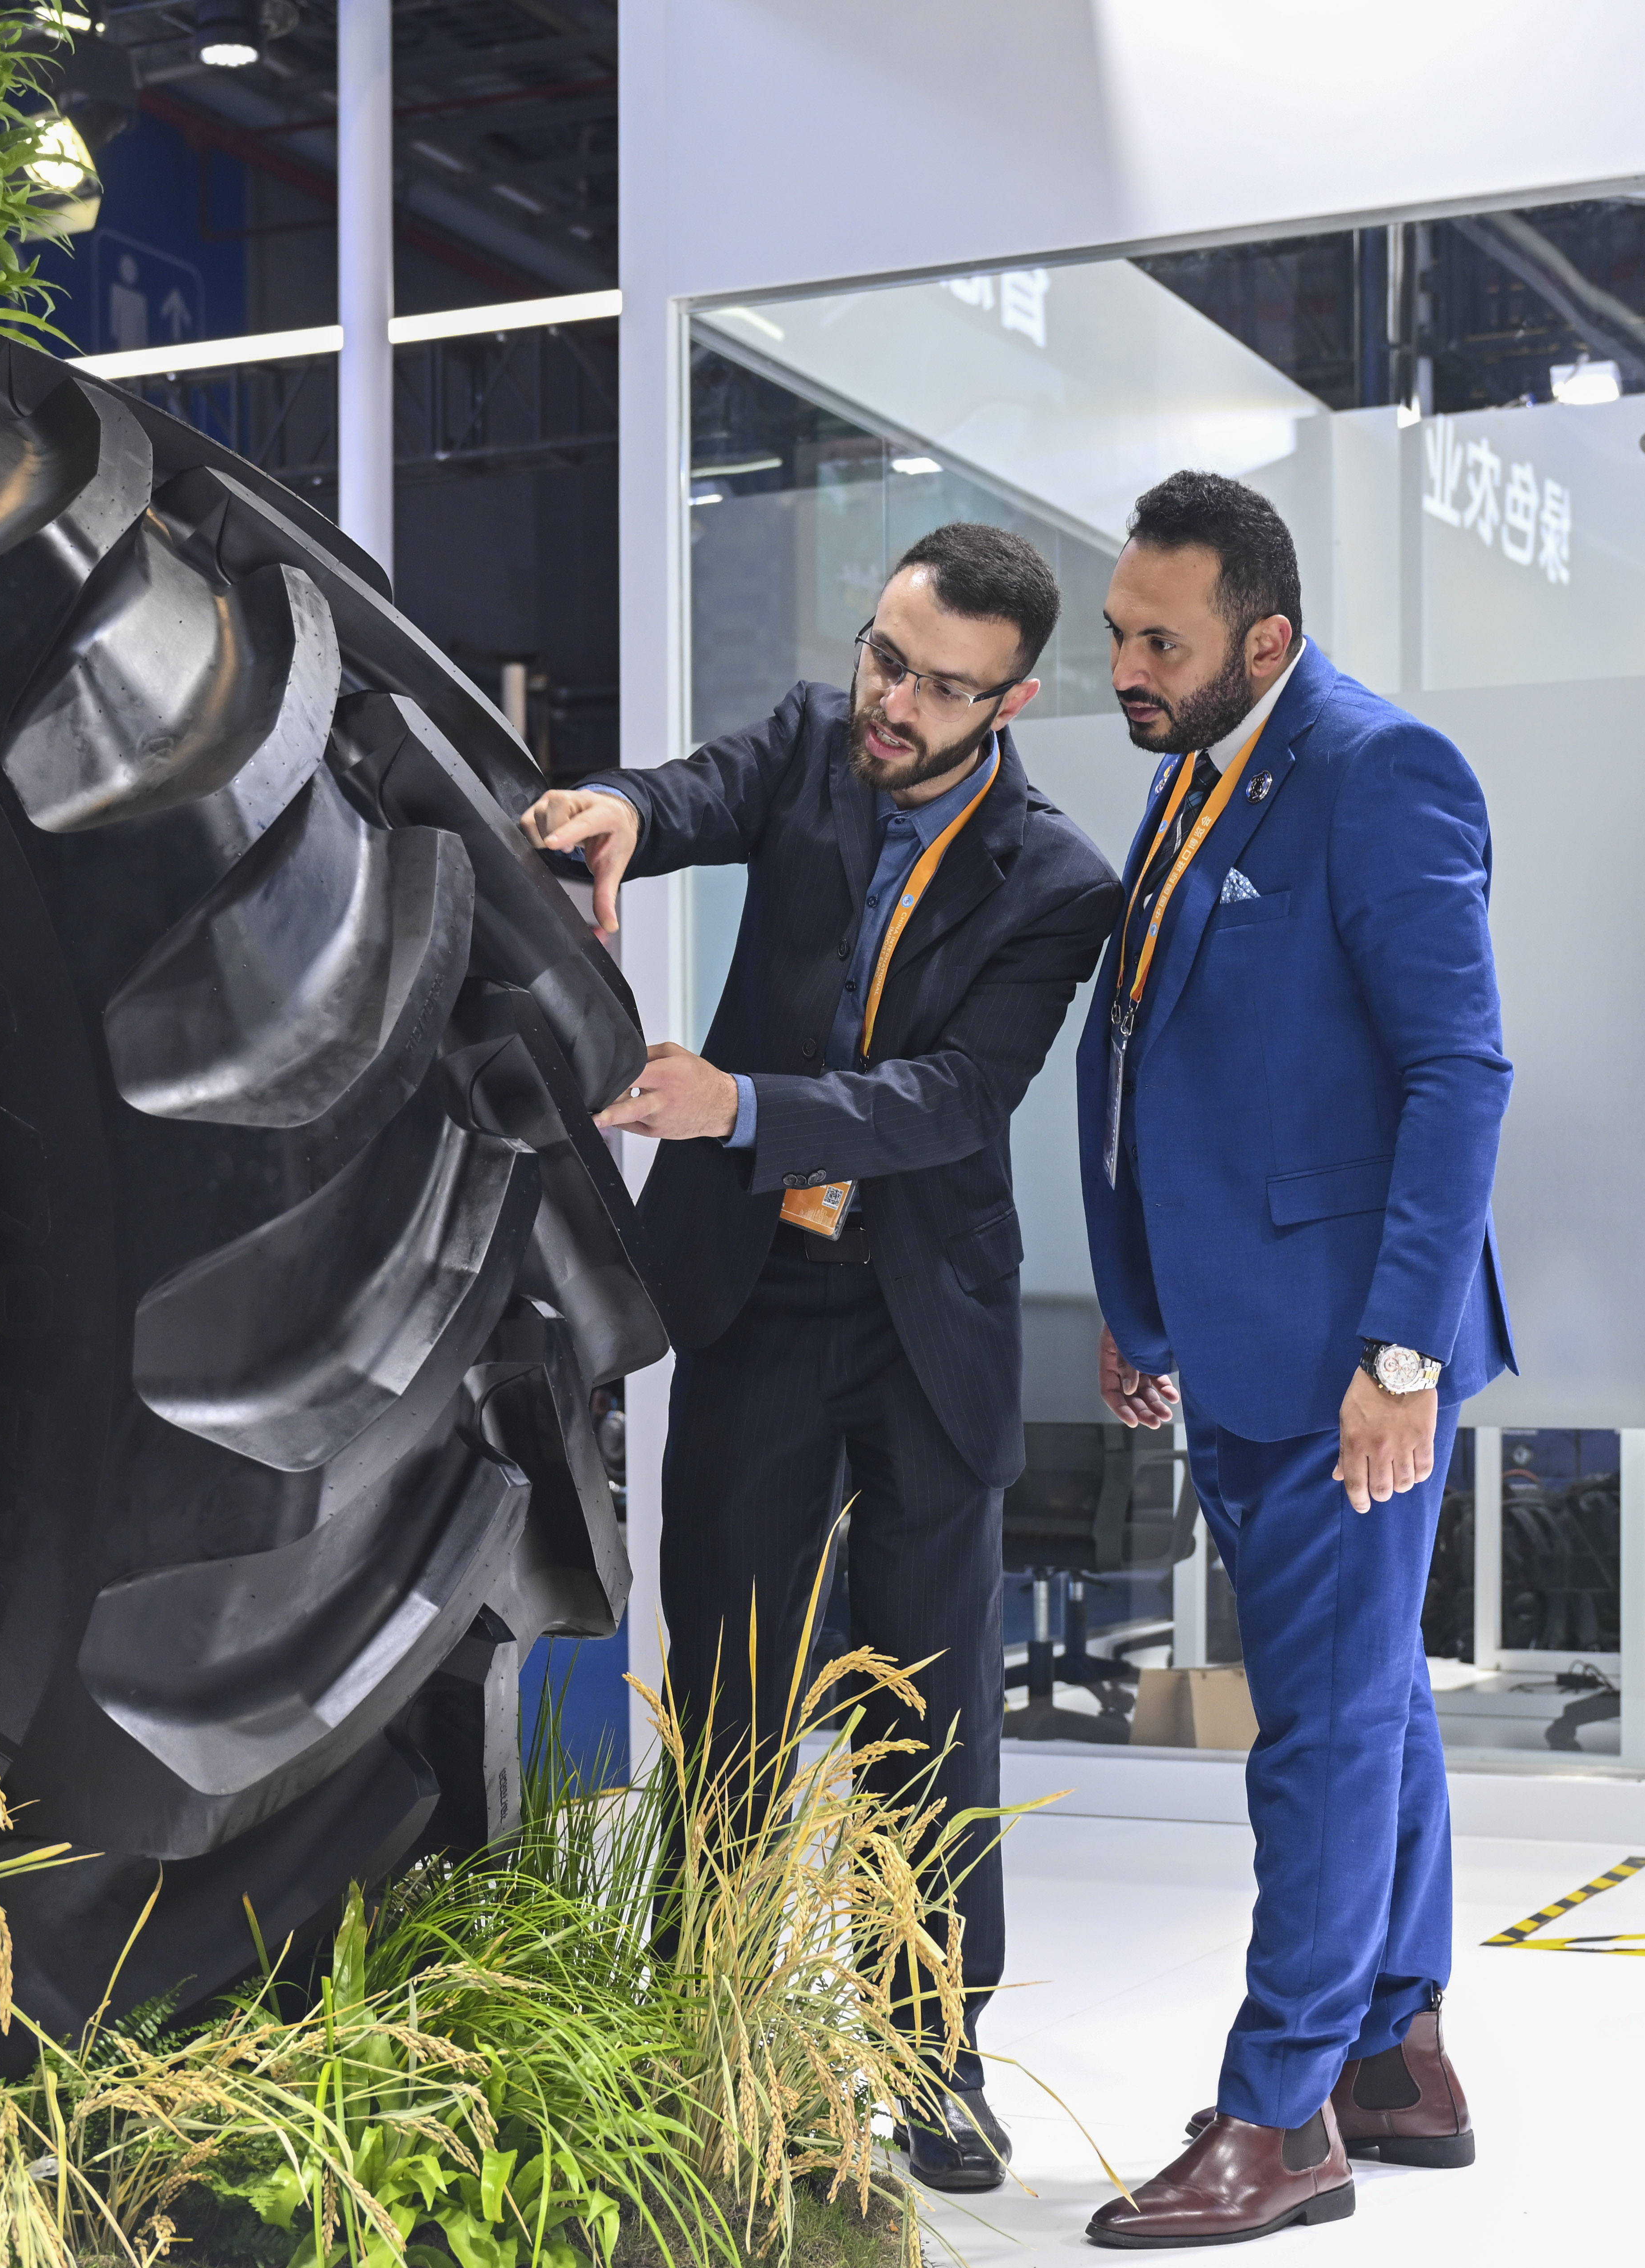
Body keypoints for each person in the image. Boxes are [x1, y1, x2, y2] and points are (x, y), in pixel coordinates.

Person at [525, 523, 1120, 2194]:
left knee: (928, 1713)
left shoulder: (1058, 883)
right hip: (759, 1295)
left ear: (1008, 704)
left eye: (939, 688)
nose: (893, 702)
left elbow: (954, 1098)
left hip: (923, 1317)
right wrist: (618, 806)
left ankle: (932, 2063)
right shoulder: (808, 742)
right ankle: (700, 2034)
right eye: (885, 657)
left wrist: (738, 1106)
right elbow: (689, 792)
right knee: (725, 1691)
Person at [1070, 472, 1517, 2249]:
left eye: (1159, 641)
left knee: (1320, 1731)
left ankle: (1280, 2118)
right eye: (1118, 632)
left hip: (1350, 1362)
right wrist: (1139, 1302)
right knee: (1367, 1695)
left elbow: (1456, 1071)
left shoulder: (1379, 769)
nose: (1125, 665)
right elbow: (1148, 1059)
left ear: (1263, 638)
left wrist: (1401, 1352)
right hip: (1238, 1339)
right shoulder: (1190, 774)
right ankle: (1396, 2052)